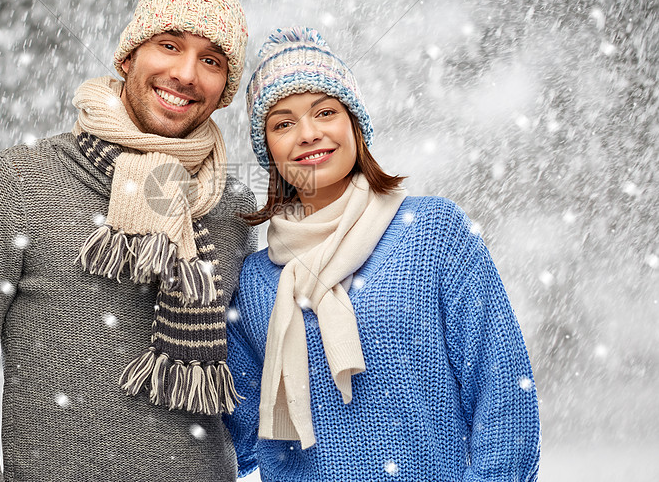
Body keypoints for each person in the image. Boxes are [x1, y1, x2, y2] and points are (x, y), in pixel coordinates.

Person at [0, 0, 257, 482]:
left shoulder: (230, 210)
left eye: (212, 60)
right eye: (169, 45)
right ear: (129, 56)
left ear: (223, 89)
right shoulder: (21, 182)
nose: (186, 74)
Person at [224, 27, 541, 481]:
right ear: (268, 149)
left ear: (354, 124)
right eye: (283, 123)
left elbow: (504, 399)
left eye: (325, 111)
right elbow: (229, 440)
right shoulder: (256, 281)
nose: (309, 134)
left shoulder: (433, 232)